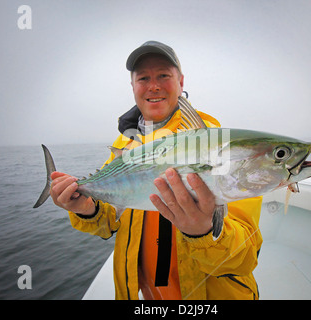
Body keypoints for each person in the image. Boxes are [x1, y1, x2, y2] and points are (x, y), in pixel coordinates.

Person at [50, 41, 263, 300]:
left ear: (181, 81)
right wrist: (86, 209)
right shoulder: (124, 146)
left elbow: (244, 258)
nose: (154, 86)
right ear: (133, 86)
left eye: (163, 75)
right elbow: (109, 222)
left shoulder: (221, 145)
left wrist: (204, 232)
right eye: (143, 78)